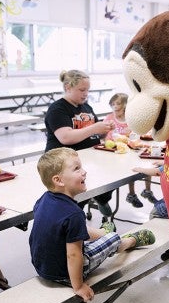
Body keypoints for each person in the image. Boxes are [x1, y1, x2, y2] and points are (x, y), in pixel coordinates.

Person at [29, 148, 156, 303]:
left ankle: (102, 232)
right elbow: (74, 255)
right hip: (66, 274)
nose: (84, 172)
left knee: (76, 232)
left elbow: (64, 233)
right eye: (77, 169)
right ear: (59, 180)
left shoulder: (43, 200)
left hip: (43, 268)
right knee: (113, 238)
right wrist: (78, 286)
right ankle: (127, 241)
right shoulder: (73, 213)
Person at [44, 69, 115, 223]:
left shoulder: (86, 107)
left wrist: (104, 129)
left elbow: (94, 132)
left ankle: (101, 198)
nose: (85, 94)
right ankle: (75, 218)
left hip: (90, 159)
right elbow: (66, 137)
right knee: (75, 196)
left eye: (88, 90)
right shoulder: (58, 109)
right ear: (68, 87)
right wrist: (94, 128)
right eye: (82, 90)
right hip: (65, 164)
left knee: (112, 174)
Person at [103, 93, 158, 208]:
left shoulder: (130, 119)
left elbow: (139, 134)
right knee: (131, 169)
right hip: (116, 152)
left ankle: (147, 191)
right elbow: (106, 137)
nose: (115, 106)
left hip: (132, 149)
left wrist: (133, 132)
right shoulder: (109, 119)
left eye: (118, 103)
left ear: (125, 106)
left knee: (147, 165)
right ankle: (131, 194)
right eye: (112, 104)